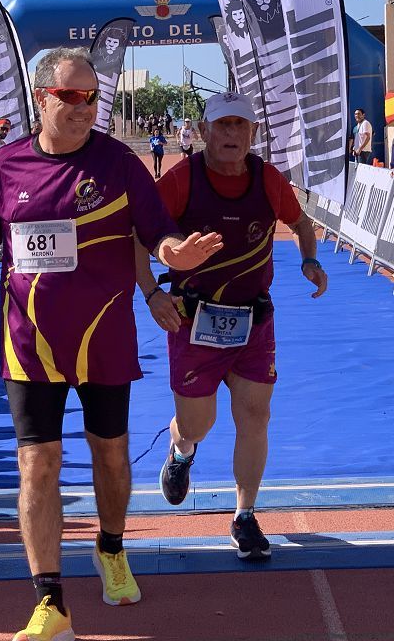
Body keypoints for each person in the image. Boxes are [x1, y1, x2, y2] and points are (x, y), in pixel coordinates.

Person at [0, 47, 222, 641]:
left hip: (104, 340)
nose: (85, 108)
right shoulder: (3, 167)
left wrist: (174, 254)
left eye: (93, 97)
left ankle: (111, 548)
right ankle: (50, 601)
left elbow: (157, 234)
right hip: (29, 344)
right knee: (37, 463)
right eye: (72, 96)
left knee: (110, 455)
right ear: (42, 98)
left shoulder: (120, 163)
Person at [137, 91, 327, 562]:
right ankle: (181, 451)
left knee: (256, 416)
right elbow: (134, 240)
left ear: (253, 135)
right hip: (192, 320)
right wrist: (154, 294)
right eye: (222, 126)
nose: (231, 135)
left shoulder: (267, 180)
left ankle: (244, 516)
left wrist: (309, 260)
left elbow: (303, 224)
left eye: (241, 126)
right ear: (202, 133)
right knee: (200, 423)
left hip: (253, 321)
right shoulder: (181, 180)